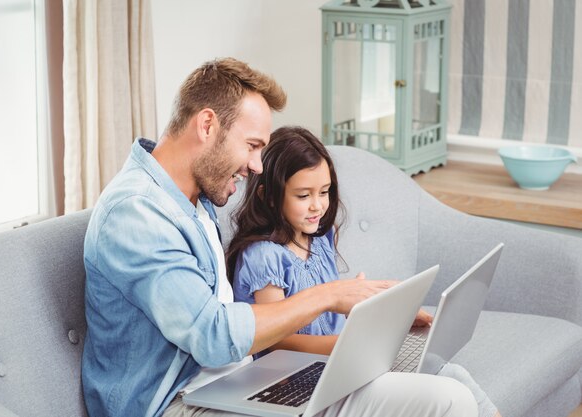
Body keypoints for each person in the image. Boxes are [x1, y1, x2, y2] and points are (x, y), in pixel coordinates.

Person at [82, 57, 478, 417]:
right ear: (207, 125)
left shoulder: (193, 201)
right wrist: (330, 296)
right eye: (252, 146)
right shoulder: (136, 213)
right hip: (175, 404)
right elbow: (213, 336)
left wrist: (379, 314)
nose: (255, 166)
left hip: (239, 382)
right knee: (446, 403)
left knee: (442, 386)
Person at [227, 126, 501, 417]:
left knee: (452, 374)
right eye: (303, 195)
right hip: (298, 379)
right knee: (441, 390)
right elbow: (275, 340)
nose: (317, 205)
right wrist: (344, 347)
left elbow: (327, 302)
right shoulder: (263, 257)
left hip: (341, 366)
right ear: (268, 196)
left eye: (324, 192)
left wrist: (382, 313)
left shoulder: (319, 238)